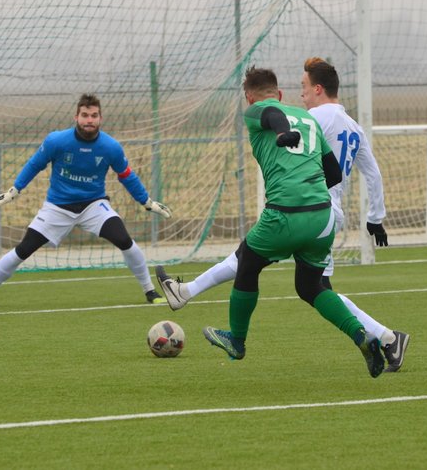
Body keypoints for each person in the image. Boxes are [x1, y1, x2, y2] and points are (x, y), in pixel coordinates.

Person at [156, 58, 409, 373]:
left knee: (250, 262)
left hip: (294, 205)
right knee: (311, 287)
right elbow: (348, 172)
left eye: (304, 87)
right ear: (278, 93)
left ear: (250, 98)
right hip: (325, 213)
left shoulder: (296, 114)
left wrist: (284, 134)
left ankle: (236, 337)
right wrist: (374, 216)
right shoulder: (341, 123)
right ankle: (369, 336)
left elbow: (273, 115)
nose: (301, 94)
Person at [0, 93, 172, 309]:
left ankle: (150, 290)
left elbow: (126, 175)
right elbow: (34, 164)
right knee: (24, 249)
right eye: (85, 115)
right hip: (57, 206)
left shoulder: (111, 147)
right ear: (76, 117)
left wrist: (146, 201)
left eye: (94, 116)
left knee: (124, 240)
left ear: (100, 119)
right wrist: (14, 190)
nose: (89, 120)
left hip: (94, 206)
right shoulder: (56, 141)